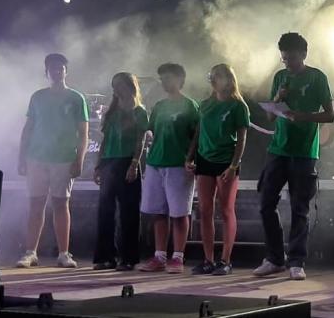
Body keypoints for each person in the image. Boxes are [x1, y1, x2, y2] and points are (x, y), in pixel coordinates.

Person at [253, 32, 334, 281]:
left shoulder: (317, 77)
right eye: (284, 58)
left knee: (300, 208)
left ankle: (296, 261)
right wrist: (278, 99)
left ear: (304, 54)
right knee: (266, 203)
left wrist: (303, 116)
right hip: (278, 149)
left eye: (291, 58)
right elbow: (270, 116)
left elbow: (330, 115)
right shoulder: (280, 77)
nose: (287, 63)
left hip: (304, 152)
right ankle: (274, 258)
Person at [16, 53, 89, 269]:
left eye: (60, 68)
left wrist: (79, 159)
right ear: (46, 72)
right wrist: (21, 157)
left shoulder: (76, 98)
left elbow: (84, 133)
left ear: (66, 71)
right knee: (35, 204)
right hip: (36, 157)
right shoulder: (37, 97)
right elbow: (28, 128)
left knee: (60, 203)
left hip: (64, 158)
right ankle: (30, 253)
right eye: (52, 69)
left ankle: (64, 253)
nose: (56, 72)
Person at [186, 64, 250, 276]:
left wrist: (233, 166)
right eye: (211, 77)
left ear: (229, 79)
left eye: (218, 77)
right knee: (205, 209)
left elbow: (242, 139)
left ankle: (225, 260)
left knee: (226, 210)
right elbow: (198, 132)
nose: (213, 80)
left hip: (226, 161)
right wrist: (190, 156)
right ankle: (208, 260)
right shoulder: (205, 105)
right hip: (204, 160)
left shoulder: (238, 106)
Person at [138, 63, 199, 273]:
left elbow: (197, 135)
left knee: (179, 213)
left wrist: (190, 158)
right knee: (158, 212)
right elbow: (151, 131)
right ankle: (160, 256)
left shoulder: (190, 105)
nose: (164, 81)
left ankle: (178, 257)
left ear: (180, 80)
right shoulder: (159, 106)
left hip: (178, 165)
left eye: (168, 77)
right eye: (162, 78)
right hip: (155, 163)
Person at [92, 72, 148, 271]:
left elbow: (140, 140)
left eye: (120, 85)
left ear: (130, 86)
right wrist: (98, 165)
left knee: (128, 212)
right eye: (114, 85)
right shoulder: (112, 112)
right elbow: (105, 140)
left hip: (127, 161)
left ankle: (128, 258)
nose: (116, 89)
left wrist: (134, 164)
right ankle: (106, 257)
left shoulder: (139, 112)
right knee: (105, 211)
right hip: (109, 162)